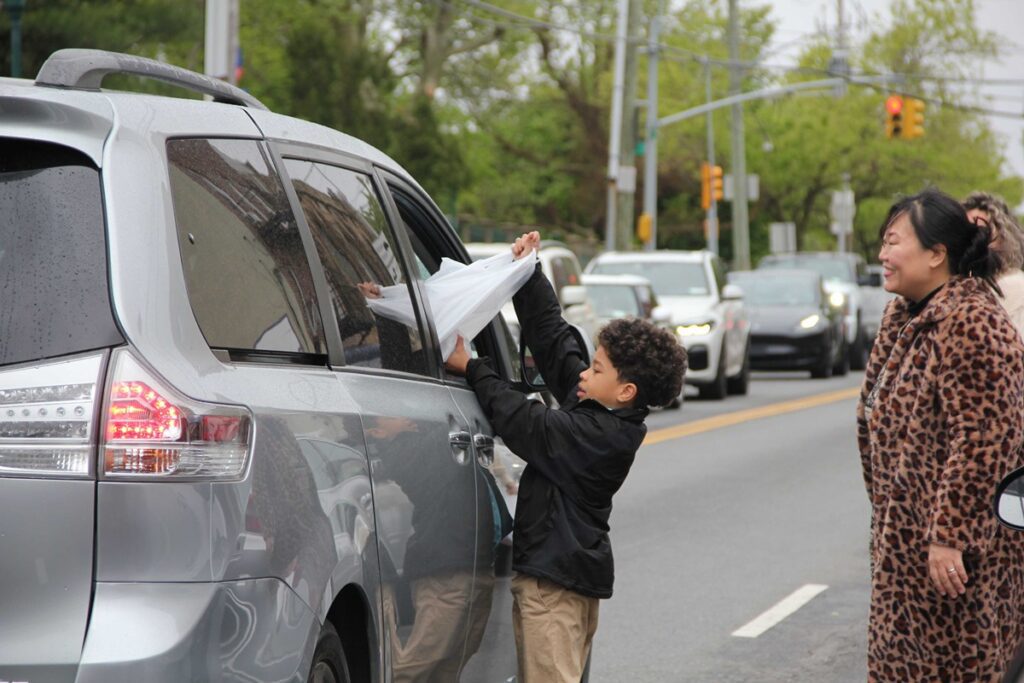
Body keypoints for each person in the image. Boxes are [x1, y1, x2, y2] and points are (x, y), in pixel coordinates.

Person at [445, 231, 687, 683]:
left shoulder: (600, 436)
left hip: (554, 592)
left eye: (596, 369)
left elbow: (529, 425)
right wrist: (530, 274)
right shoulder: (601, 412)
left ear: (625, 391)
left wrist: (475, 368)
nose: (584, 373)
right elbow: (558, 346)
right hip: (561, 584)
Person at [857, 188, 1024, 682]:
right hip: (904, 547)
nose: (883, 256)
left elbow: (985, 443)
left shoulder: (973, 321)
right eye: (883, 243)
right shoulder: (905, 315)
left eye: (893, 242)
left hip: (953, 561)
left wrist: (949, 537)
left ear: (937, 254)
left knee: (953, 669)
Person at [963, 191, 1024, 336]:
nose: (974, 239)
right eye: (965, 230)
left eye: (982, 230)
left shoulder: (1017, 288)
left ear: (1004, 236)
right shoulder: (960, 288)